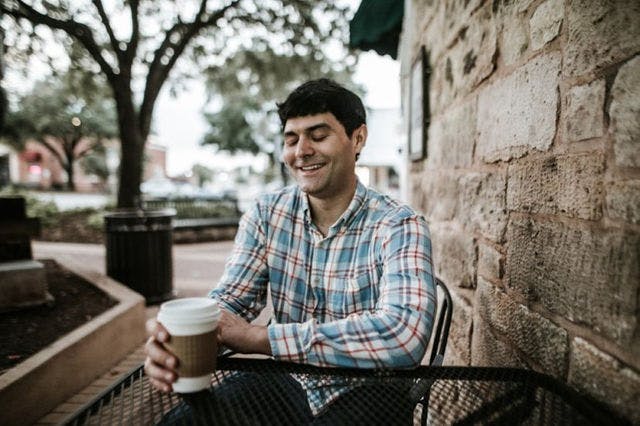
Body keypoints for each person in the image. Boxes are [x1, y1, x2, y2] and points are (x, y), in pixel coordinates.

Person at [145, 78, 437, 424]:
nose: (301, 151)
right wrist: (180, 342)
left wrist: (258, 338)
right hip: (285, 381)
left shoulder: (399, 224)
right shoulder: (267, 213)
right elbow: (231, 299)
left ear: (357, 138)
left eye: (318, 136)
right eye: (291, 139)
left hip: (369, 388)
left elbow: (403, 334)